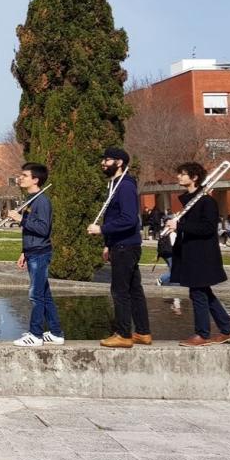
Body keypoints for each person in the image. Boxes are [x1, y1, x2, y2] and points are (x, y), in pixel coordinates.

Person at [168, 163, 230, 346]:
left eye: (183, 174)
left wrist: (180, 225)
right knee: (204, 293)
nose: (178, 177)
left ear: (194, 178)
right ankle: (228, 330)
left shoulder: (206, 201)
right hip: (191, 253)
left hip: (201, 256)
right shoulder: (191, 201)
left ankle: (202, 334)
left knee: (198, 293)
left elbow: (208, 228)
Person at [87, 147, 151, 348]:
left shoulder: (124, 186)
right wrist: (108, 244)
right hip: (119, 244)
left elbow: (129, 219)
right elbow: (114, 215)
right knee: (134, 289)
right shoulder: (114, 184)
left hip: (126, 246)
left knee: (120, 291)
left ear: (119, 163)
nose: (103, 163)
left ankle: (123, 334)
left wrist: (102, 229)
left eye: (107, 160)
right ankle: (142, 332)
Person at [10, 163, 64, 347]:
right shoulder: (30, 199)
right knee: (45, 294)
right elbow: (30, 230)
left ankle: (35, 334)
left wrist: (21, 219)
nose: (20, 178)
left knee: (35, 295)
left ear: (35, 179)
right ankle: (56, 333)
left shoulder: (42, 201)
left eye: (24, 175)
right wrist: (24, 252)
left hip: (40, 253)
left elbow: (43, 228)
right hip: (32, 252)